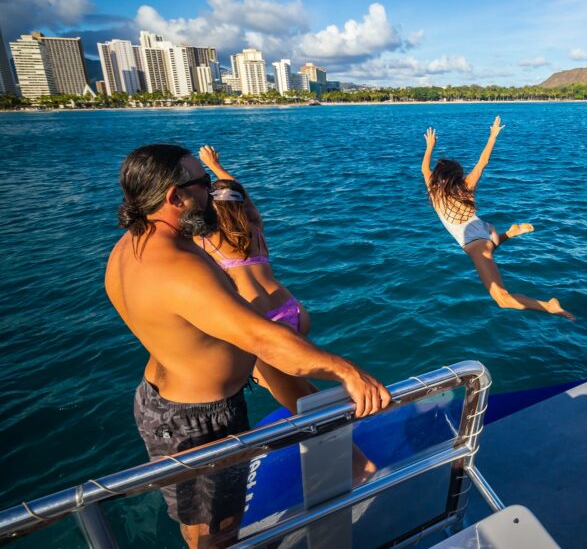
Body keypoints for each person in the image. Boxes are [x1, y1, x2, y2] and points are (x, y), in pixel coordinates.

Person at [105, 144, 391, 549]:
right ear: (174, 197)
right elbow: (263, 340)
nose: (209, 191)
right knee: (218, 531)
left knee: (198, 521)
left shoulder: (130, 248)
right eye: (202, 183)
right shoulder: (177, 267)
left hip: (164, 403)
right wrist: (347, 371)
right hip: (199, 418)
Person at [197, 145, 377, 482]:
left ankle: (358, 466)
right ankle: (345, 440)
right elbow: (242, 196)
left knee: (301, 408)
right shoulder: (255, 229)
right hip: (290, 310)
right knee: (304, 391)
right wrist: (217, 167)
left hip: (263, 326)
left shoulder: (205, 240)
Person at [422, 116, 574, 321]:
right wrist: (493, 135)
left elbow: (424, 168)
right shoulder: (466, 188)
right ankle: (509, 233)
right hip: (484, 232)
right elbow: (483, 162)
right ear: (457, 177)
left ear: (439, 176)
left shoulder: (433, 191)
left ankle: (550, 306)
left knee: (502, 299)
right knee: (491, 247)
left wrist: (429, 146)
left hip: (478, 243)